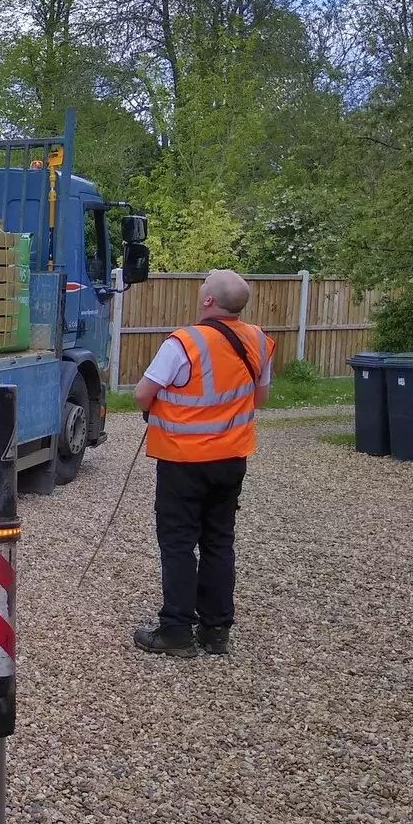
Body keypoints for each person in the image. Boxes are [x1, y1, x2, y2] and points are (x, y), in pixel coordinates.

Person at [132, 269, 276, 658]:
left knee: (178, 543)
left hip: (183, 460)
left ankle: (176, 631)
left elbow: (143, 395)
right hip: (232, 458)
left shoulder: (184, 342)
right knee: (219, 541)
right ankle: (216, 631)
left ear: (209, 300)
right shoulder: (259, 341)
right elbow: (257, 399)